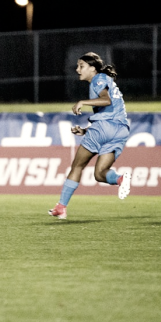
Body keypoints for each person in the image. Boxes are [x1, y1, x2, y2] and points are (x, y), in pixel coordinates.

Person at [49, 52, 132, 220]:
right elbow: (110, 112)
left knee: (77, 166)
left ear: (92, 69)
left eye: (81, 66)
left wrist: (82, 102)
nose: (77, 69)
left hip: (104, 128)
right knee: (100, 174)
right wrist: (86, 131)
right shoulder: (105, 80)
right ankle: (121, 179)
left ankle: (61, 207)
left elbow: (106, 101)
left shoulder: (98, 79)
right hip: (120, 131)